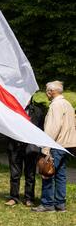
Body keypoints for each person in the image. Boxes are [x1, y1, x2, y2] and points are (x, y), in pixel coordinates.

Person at [33, 81, 76, 213]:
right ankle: (60, 204)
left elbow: (53, 128)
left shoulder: (55, 105)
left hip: (56, 144)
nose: (46, 93)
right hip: (67, 145)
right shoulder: (67, 104)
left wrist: (46, 148)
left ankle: (47, 204)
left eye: (47, 90)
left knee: (47, 172)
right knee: (61, 175)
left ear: (52, 91)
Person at [5, 98, 44, 207]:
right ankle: (13, 197)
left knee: (30, 174)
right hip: (15, 146)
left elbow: (41, 129)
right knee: (14, 174)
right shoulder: (12, 109)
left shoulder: (37, 111)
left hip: (31, 148)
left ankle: (29, 198)